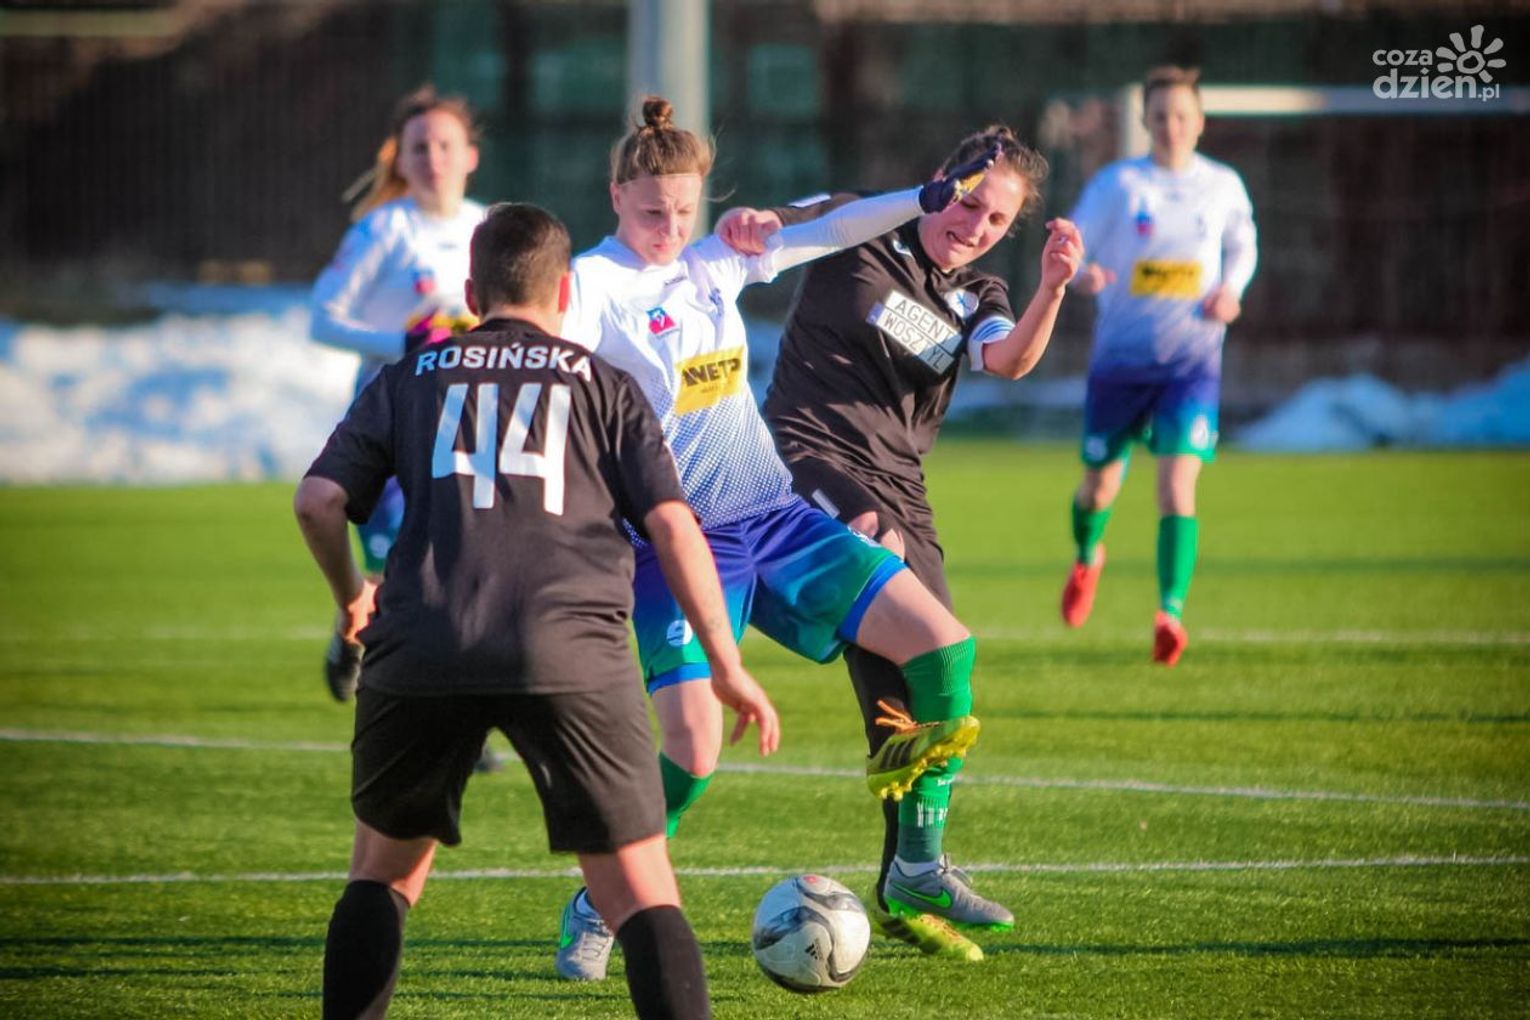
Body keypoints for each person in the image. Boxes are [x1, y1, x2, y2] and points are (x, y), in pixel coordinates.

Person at [551, 96, 1010, 983]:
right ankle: (599, 899)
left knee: (944, 648)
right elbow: (540, 352)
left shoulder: (711, 264)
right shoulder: (592, 285)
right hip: (678, 542)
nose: (670, 229)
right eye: (652, 212)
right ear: (615, 197)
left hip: (775, 516)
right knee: (694, 749)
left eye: (684, 210)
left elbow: (830, 228)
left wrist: (924, 198)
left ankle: (916, 867)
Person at [296, 201, 780, 1020]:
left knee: (383, 874)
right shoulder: (607, 385)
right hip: (571, 649)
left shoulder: (410, 378)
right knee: (640, 889)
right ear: (563, 294)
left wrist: (352, 596)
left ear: (470, 293)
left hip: (424, 642)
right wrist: (726, 664)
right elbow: (673, 526)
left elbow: (317, 501)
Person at [716, 125, 1081, 961]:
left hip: (902, 489)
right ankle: (913, 870)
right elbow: (783, 226)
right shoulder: (865, 224)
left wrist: (1053, 288)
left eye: (997, 220)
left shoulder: (979, 292)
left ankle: (909, 875)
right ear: (942, 181)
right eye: (969, 203)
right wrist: (755, 223)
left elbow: (1007, 359)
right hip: (805, 455)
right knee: (877, 565)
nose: (975, 226)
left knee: (928, 676)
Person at [1059, 66, 1258, 665]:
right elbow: (1074, 244)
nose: (1171, 126)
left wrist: (1232, 290)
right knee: (1098, 488)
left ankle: (1169, 612)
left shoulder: (1222, 185)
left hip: (1190, 366)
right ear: (1145, 121)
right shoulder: (1118, 185)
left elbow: (1243, 246)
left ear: (1199, 121)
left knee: (1176, 488)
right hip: (1119, 365)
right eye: (1160, 116)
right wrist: (1082, 274)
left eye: (1181, 116)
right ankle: (1088, 554)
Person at [309, 85, 486, 704]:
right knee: (400, 573)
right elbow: (321, 319)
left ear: (470, 156)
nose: (433, 158)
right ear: (401, 159)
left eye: (445, 145)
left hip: (467, 425)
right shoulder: (381, 230)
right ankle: (353, 629)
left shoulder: (487, 226)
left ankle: (447, 707)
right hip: (391, 423)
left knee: (456, 569)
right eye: (419, 147)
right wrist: (402, 341)